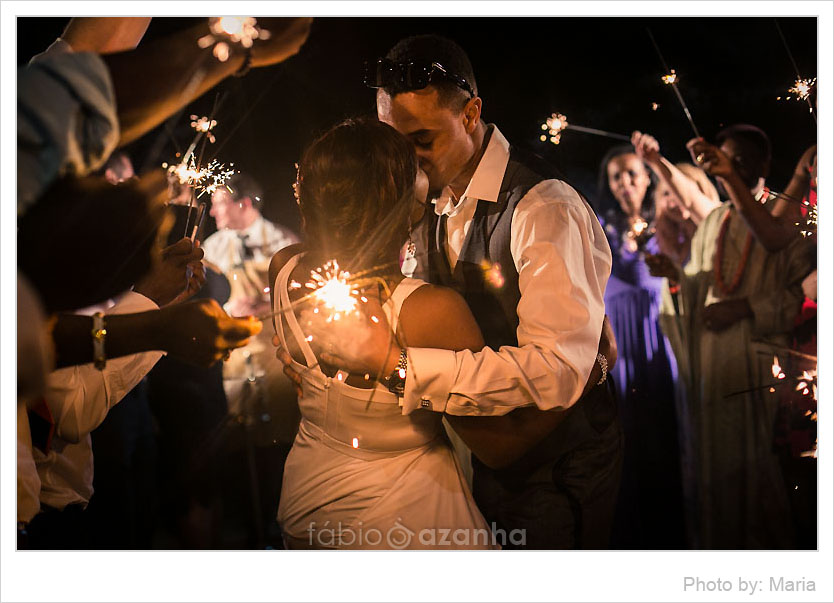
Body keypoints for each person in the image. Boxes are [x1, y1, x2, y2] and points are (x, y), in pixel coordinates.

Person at [293, 35, 621, 549]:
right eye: (393, 143)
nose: (406, 161)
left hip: (547, 469)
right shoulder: (415, 197)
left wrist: (400, 366)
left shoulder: (543, 207)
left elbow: (559, 372)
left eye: (422, 140)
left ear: (471, 114)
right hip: (454, 469)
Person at [270, 118, 497, 549]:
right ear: (405, 202)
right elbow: (497, 442)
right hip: (406, 519)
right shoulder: (428, 310)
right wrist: (589, 367)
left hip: (306, 493)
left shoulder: (283, 267)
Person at [646, 124, 814, 548]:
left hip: (758, 363)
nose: (732, 168)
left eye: (741, 161)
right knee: (713, 474)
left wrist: (746, 308)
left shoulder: (784, 214)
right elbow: (702, 282)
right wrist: (677, 280)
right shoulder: (718, 218)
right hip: (711, 362)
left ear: (765, 164)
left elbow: (801, 296)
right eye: (726, 160)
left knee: (761, 476)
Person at [595, 144, 685, 548]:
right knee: (628, 436)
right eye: (617, 176)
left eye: (633, 173)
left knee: (665, 429)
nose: (626, 182)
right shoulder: (600, 228)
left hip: (658, 338)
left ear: (647, 177)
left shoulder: (665, 222)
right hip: (621, 345)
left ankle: (673, 525)